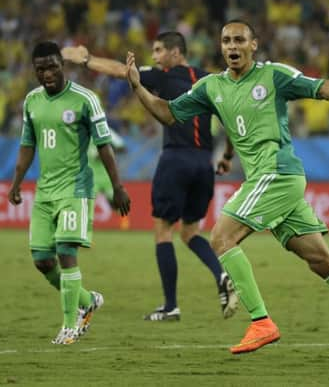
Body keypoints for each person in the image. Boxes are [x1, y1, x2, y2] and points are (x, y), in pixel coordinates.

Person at [125, 19, 329, 357]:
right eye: (226, 40)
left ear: (253, 45)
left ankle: (261, 322)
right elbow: (170, 114)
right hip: (267, 180)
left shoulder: (274, 75)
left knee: (221, 237)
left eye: (239, 40)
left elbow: (323, 90)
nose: (232, 46)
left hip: (277, 173)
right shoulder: (211, 87)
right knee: (321, 259)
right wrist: (138, 87)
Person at [62, 32, 238, 321]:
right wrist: (228, 156)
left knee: (163, 231)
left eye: (158, 51)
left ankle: (170, 306)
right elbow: (229, 122)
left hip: (175, 159)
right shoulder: (210, 79)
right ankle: (221, 275)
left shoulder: (165, 76)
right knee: (191, 232)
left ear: (176, 52)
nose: (154, 57)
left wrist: (87, 59)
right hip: (204, 164)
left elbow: (124, 72)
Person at [8, 41, 131, 344]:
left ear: (63, 66)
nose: (47, 73)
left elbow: (104, 145)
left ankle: (69, 326)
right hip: (45, 191)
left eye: (52, 66)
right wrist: (16, 182)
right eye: (41, 69)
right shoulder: (31, 101)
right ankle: (87, 301)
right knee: (42, 261)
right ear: (34, 71)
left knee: (65, 253)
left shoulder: (85, 99)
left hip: (76, 188)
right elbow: (27, 145)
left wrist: (117, 186)